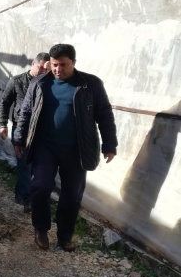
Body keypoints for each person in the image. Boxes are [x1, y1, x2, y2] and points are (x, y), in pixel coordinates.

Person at [12, 44, 117, 252]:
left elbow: (105, 115)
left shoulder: (90, 85)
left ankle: (65, 236)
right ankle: (41, 229)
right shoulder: (39, 83)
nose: (58, 69)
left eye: (63, 65)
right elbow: (25, 112)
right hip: (45, 147)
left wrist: (110, 144)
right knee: (40, 186)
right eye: (54, 65)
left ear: (73, 63)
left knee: (72, 194)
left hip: (76, 149)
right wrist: (18, 139)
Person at [0, 52, 50, 212]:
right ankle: (26, 199)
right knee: (24, 165)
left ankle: (24, 195)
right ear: (33, 64)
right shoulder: (17, 81)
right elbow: (5, 102)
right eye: (40, 67)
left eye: (46, 69)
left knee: (38, 166)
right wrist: (3, 124)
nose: (43, 71)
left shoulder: (48, 84)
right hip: (21, 129)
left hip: (41, 131)